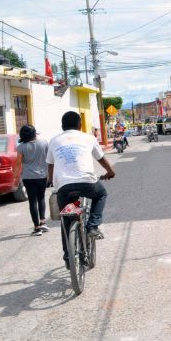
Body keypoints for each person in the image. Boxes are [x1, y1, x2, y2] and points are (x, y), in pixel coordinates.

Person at [47, 111, 116, 266]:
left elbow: (50, 165)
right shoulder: (88, 137)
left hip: (64, 187)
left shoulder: (54, 140)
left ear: (62, 126)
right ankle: (92, 225)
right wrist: (110, 172)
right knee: (101, 194)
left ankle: (68, 259)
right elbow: (101, 159)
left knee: (67, 220)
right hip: (87, 183)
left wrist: (50, 181)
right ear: (80, 125)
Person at [16, 125, 49, 236]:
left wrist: (16, 177)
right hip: (42, 176)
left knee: (32, 201)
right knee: (41, 198)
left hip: (28, 177)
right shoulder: (44, 143)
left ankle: (37, 227)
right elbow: (49, 159)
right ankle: (43, 221)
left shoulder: (21, 147)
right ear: (34, 133)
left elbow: (18, 163)